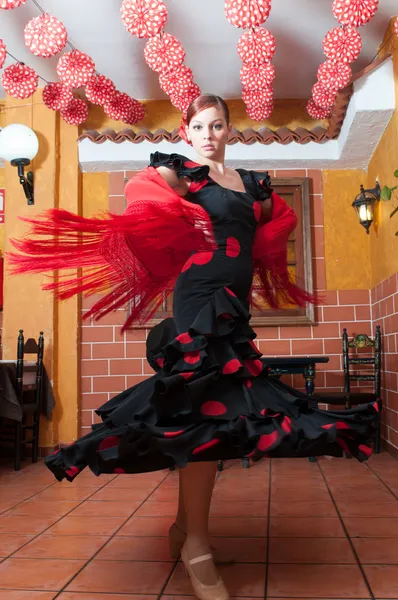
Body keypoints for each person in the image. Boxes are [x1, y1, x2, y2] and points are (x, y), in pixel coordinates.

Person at [8, 94, 378, 600]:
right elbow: (140, 194)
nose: (208, 134)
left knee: (218, 410)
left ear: (229, 130)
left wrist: (253, 245)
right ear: (187, 131)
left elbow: (277, 220)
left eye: (217, 125)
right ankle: (196, 545)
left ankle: (185, 529)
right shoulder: (183, 173)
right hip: (198, 295)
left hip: (235, 301)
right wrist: (189, 226)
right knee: (205, 410)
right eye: (199, 126)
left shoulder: (250, 183)